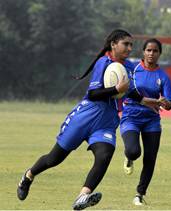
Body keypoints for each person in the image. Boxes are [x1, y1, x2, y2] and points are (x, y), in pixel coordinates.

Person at [16, 29, 134, 210]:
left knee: (104, 155)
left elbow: (131, 91)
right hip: (85, 116)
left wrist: (151, 101)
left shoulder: (129, 67)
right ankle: (28, 176)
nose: (129, 48)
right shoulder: (104, 63)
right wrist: (116, 88)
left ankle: (82, 196)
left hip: (106, 121)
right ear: (113, 44)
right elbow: (94, 94)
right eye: (125, 44)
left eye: (131, 45)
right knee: (54, 159)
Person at [120, 38, 171, 206]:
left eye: (155, 51)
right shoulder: (132, 68)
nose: (151, 54)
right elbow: (124, 90)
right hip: (131, 116)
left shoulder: (163, 76)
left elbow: (169, 103)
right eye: (148, 50)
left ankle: (140, 194)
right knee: (133, 151)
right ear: (143, 52)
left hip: (152, 120)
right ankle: (129, 157)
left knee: (150, 158)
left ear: (160, 54)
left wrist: (166, 103)